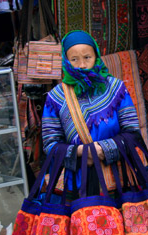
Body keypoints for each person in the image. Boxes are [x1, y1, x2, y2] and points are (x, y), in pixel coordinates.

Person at [41, 30, 140, 196]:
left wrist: (103, 148)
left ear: (97, 55)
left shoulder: (116, 89)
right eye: (74, 59)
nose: (82, 65)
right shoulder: (56, 98)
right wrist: (80, 152)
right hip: (78, 185)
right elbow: (50, 144)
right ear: (65, 61)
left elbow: (133, 133)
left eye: (87, 57)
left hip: (119, 179)